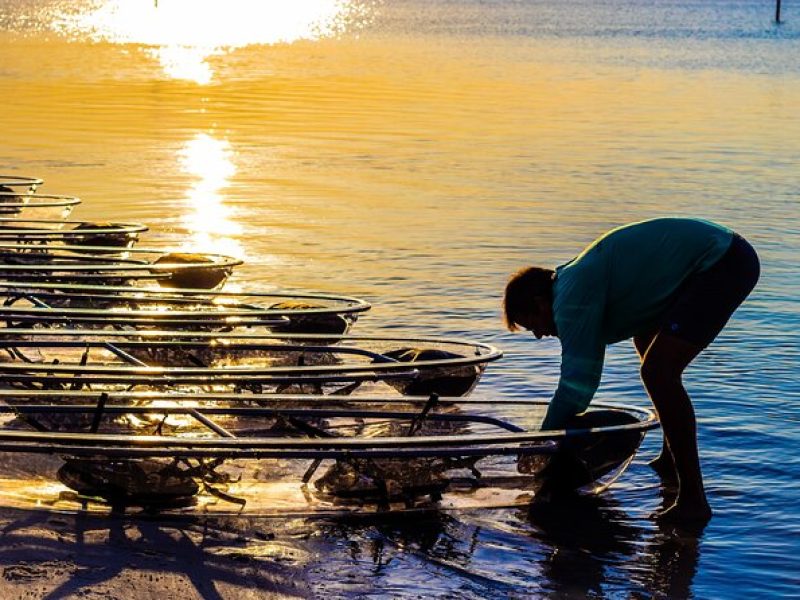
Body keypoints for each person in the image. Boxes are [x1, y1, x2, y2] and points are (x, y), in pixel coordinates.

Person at [503, 217, 760, 523]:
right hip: (713, 257)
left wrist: (544, 441)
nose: (538, 334)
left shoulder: (569, 299)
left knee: (658, 373)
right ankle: (670, 460)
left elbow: (579, 382)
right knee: (647, 347)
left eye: (532, 324)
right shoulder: (571, 286)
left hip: (722, 262)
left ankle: (693, 500)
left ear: (540, 303)